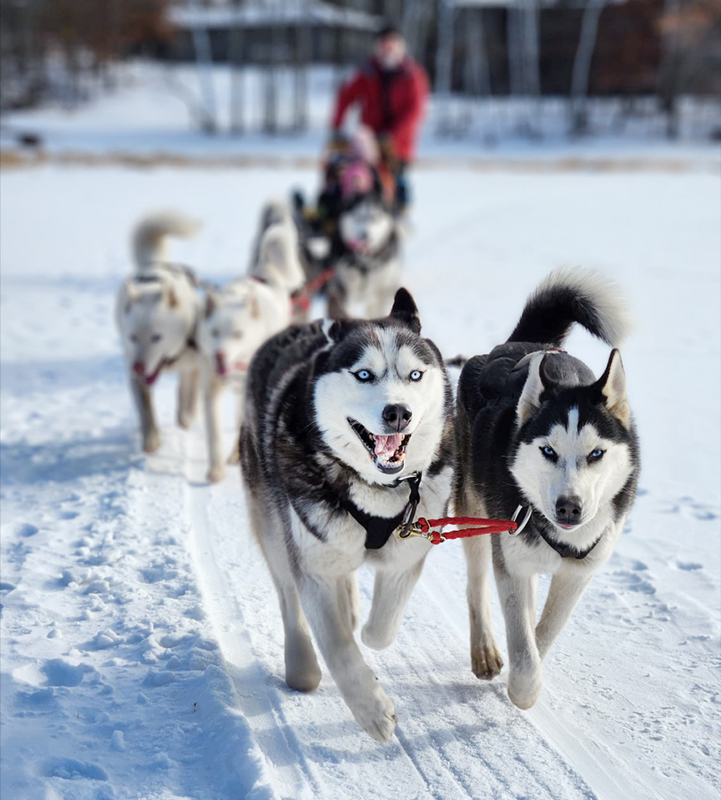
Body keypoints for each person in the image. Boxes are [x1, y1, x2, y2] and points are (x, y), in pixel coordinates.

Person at [330, 23, 429, 212]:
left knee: (395, 184)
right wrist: (336, 127)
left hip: (398, 146)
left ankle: (397, 215)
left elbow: (414, 112)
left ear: (400, 47)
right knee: (352, 175)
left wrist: (392, 136)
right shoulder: (368, 72)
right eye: (383, 46)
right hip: (367, 144)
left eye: (391, 46)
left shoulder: (413, 75)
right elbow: (346, 96)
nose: (387, 51)